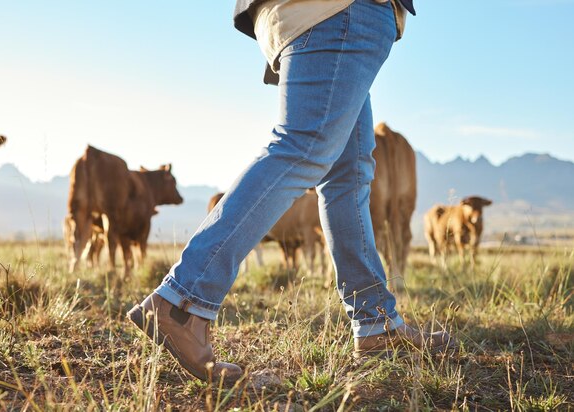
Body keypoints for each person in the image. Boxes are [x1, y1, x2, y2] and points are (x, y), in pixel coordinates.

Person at [128, 0, 455, 383]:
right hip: (339, 10)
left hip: (322, 14)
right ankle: (182, 302)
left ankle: (375, 322)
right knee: (303, 148)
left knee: (347, 175)